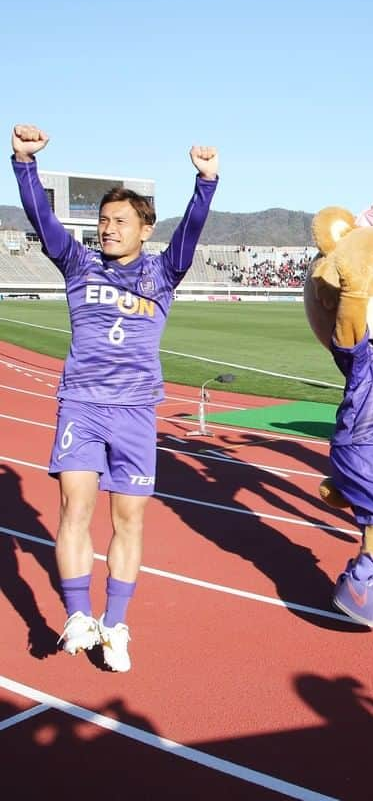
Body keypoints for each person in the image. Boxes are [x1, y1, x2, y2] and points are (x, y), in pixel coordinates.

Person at [12, 124, 218, 672]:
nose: (106, 228)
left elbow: (192, 231)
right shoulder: (79, 265)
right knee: (73, 507)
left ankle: (116, 625)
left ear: (144, 229)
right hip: (81, 403)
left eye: (119, 221)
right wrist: (24, 163)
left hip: (134, 414)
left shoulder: (164, 271)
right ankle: (78, 614)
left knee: (129, 521)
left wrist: (205, 180)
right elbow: (42, 219)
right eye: (103, 220)